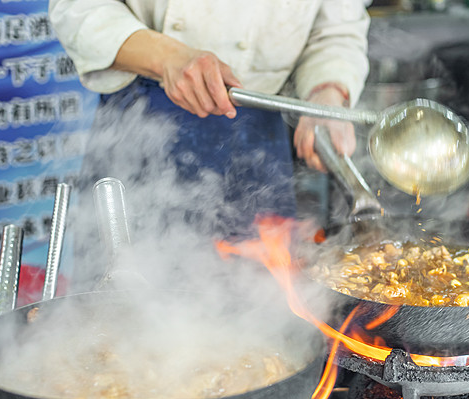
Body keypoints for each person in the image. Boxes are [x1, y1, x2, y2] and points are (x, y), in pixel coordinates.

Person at [48, 0, 370, 239]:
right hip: (143, 122)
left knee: (263, 307)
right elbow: (79, 9)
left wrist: (327, 92)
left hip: (258, 139)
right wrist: (167, 57)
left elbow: (337, 29)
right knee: (121, 308)